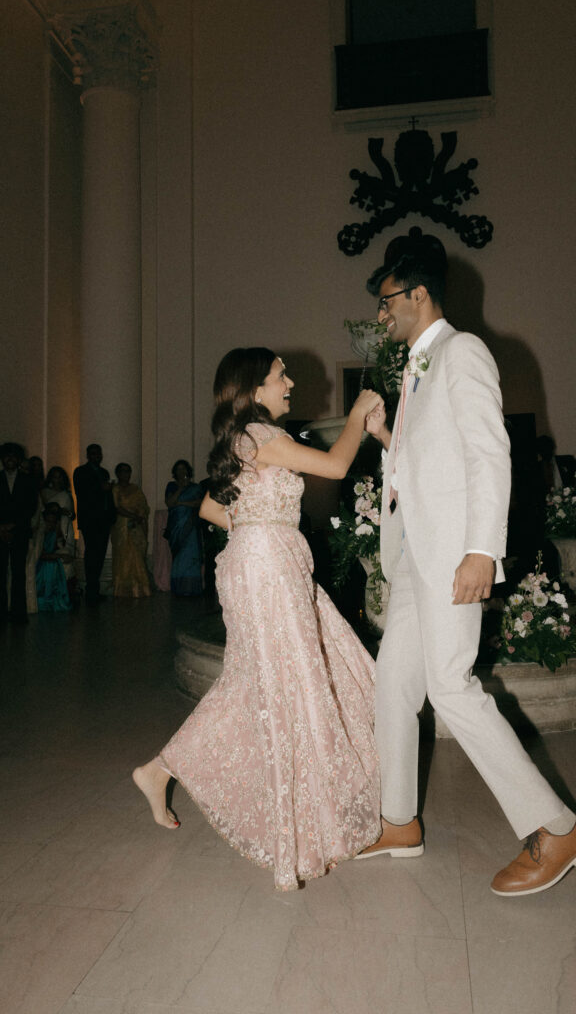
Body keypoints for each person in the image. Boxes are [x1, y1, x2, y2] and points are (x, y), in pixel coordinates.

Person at [357, 230, 576, 896]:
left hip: (452, 554)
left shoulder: (462, 352)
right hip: (414, 556)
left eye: (386, 302)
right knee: (391, 688)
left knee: (451, 687)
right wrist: (385, 439)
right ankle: (398, 820)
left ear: (417, 294)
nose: (381, 315)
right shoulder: (414, 367)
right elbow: (421, 462)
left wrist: (480, 551)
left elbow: (489, 455)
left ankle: (556, 828)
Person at [133, 348, 383, 890]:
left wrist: (252, 526)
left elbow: (205, 505)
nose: (289, 381)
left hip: (267, 562)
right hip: (266, 568)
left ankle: (159, 771)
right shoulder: (258, 433)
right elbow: (338, 465)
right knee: (276, 683)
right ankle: (162, 771)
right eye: (279, 375)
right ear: (253, 389)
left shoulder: (247, 438)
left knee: (261, 683)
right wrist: (360, 411)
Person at [0, 442, 38, 624]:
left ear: (18, 459)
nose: (10, 459)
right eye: (7, 456)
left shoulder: (28, 481)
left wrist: (12, 525)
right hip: (0, 532)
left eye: (13, 456)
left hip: (20, 531)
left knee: (18, 572)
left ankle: (18, 613)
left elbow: (30, 507)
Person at [73, 444, 116, 604]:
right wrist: (101, 488)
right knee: (91, 554)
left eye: (98, 454)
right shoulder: (80, 472)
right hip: (90, 520)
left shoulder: (104, 472)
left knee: (100, 554)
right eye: (93, 454)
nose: (96, 456)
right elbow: (82, 492)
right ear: (88, 455)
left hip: (104, 520)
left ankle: (95, 590)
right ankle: (91, 592)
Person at [111, 463, 152, 598]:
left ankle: (139, 588)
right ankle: (122, 588)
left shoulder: (135, 489)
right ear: (118, 474)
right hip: (122, 526)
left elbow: (144, 506)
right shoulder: (115, 489)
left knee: (137, 556)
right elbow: (116, 507)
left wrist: (139, 516)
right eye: (123, 471)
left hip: (136, 526)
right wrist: (132, 516)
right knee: (123, 556)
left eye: (128, 471)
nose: (126, 474)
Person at [164, 460, 203, 596]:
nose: (181, 472)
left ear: (188, 471)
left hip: (191, 526)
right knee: (179, 557)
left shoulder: (196, 487)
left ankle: (192, 588)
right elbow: (170, 503)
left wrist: (181, 502)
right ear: (175, 472)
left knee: (191, 555)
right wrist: (181, 488)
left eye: (184, 469)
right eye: (178, 469)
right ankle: (179, 588)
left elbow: (198, 503)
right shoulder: (171, 486)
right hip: (176, 527)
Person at [34, 501, 74, 611]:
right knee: (50, 566)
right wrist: (59, 557)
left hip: (50, 559)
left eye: (53, 522)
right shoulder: (39, 533)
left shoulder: (53, 532)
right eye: (48, 522)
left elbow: (57, 546)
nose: (50, 525)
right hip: (40, 562)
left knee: (55, 564)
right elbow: (40, 555)